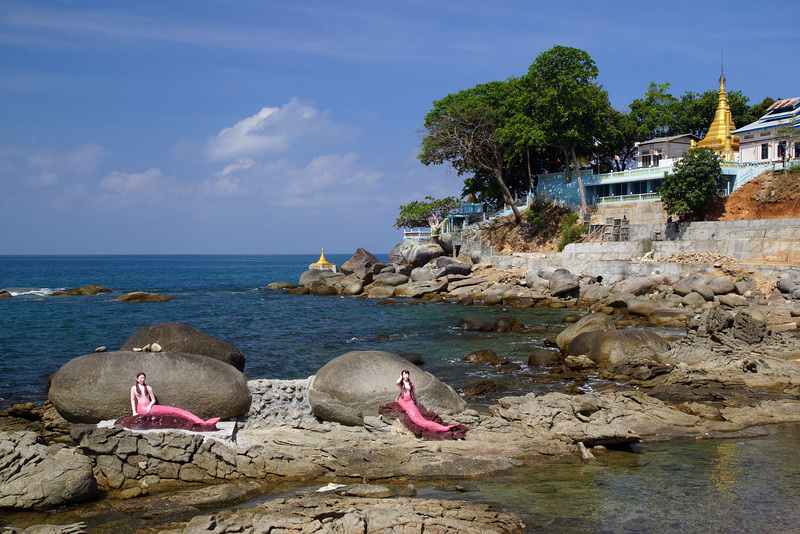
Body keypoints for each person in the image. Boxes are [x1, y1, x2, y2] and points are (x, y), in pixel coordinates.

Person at [130, 372, 219, 426]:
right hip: (143, 409)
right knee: (175, 411)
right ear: (137, 379)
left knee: (175, 411)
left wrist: (149, 406)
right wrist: (134, 412)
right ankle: (201, 422)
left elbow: (153, 400)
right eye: (141, 377)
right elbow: (133, 400)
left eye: (144, 377)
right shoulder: (134, 388)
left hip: (148, 408)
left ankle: (200, 421)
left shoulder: (148, 388)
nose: (143, 379)